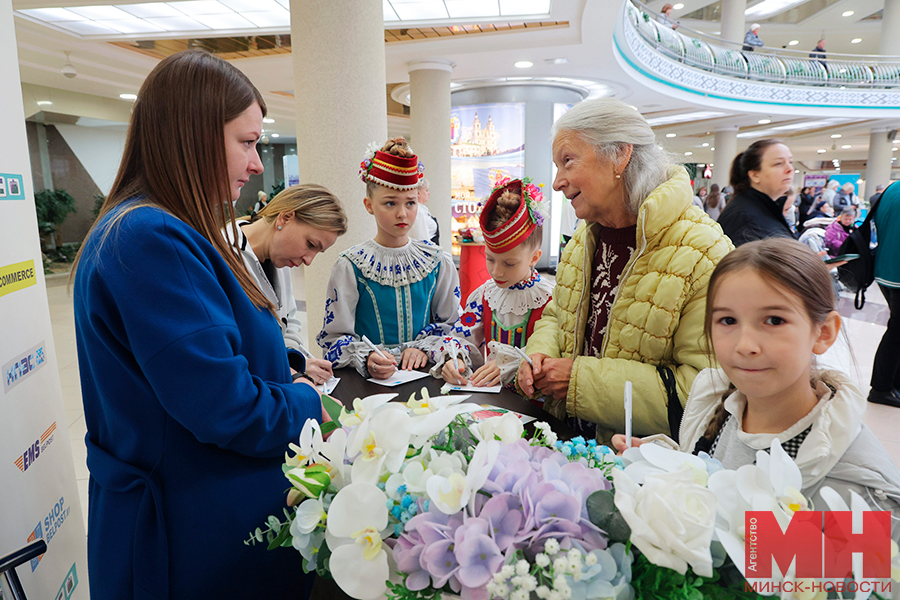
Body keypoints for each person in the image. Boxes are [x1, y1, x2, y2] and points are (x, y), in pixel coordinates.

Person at [70, 50, 324, 600]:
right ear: (195, 135)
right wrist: (306, 403)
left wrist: (290, 365)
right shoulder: (149, 238)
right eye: (248, 141)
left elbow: (208, 351)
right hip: (191, 538)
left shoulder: (166, 228)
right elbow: (224, 405)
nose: (258, 164)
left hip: (204, 517)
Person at [613, 239, 900, 528]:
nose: (745, 345)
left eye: (774, 320)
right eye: (727, 320)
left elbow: (865, 572)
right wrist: (663, 465)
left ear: (823, 332)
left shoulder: (861, 494)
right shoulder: (713, 399)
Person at [515, 97, 732, 443]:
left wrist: (578, 382)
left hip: (639, 470)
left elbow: (704, 392)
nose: (558, 182)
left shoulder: (703, 251)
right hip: (565, 446)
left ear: (620, 154)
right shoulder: (584, 238)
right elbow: (558, 317)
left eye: (567, 161)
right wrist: (540, 356)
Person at [317, 137, 461, 379]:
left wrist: (422, 347)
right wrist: (366, 356)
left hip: (426, 376)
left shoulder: (438, 262)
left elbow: (453, 326)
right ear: (369, 205)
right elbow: (333, 338)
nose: (402, 213)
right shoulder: (351, 265)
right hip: (370, 380)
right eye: (390, 203)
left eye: (411, 203)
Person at [435, 177, 554, 387]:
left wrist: (513, 362)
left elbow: (556, 351)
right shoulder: (484, 295)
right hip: (490, 399)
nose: (496, 272)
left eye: (509, 263)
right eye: (490, 259)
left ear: (534, 258)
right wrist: (455, 359)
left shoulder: (550, 299)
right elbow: (462, 336)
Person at [225, 184, 347, 384]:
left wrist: (297, 361)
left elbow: (288, 322)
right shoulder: (222, 256)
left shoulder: (280, 257)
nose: (309, 260)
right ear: (285, 218)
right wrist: (291, 372)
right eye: (310, 245)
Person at [718, 139, 796, 246]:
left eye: (790, 162)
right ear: (755, 175)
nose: (790, 169)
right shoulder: (744, 219)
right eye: (778, 164)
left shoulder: (764, 210)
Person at [871, 183, 900, 408]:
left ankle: (891, 384)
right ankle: (881, 388)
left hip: (884, 268)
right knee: (897, 331)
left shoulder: (892, 189)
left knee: (897, 328)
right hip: (897, 271)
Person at [408, 176, 440, 246]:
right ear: (418, 193)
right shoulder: (418, 212)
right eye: (426, 190)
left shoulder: (423, 209)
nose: (429, 193)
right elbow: (422, 239)